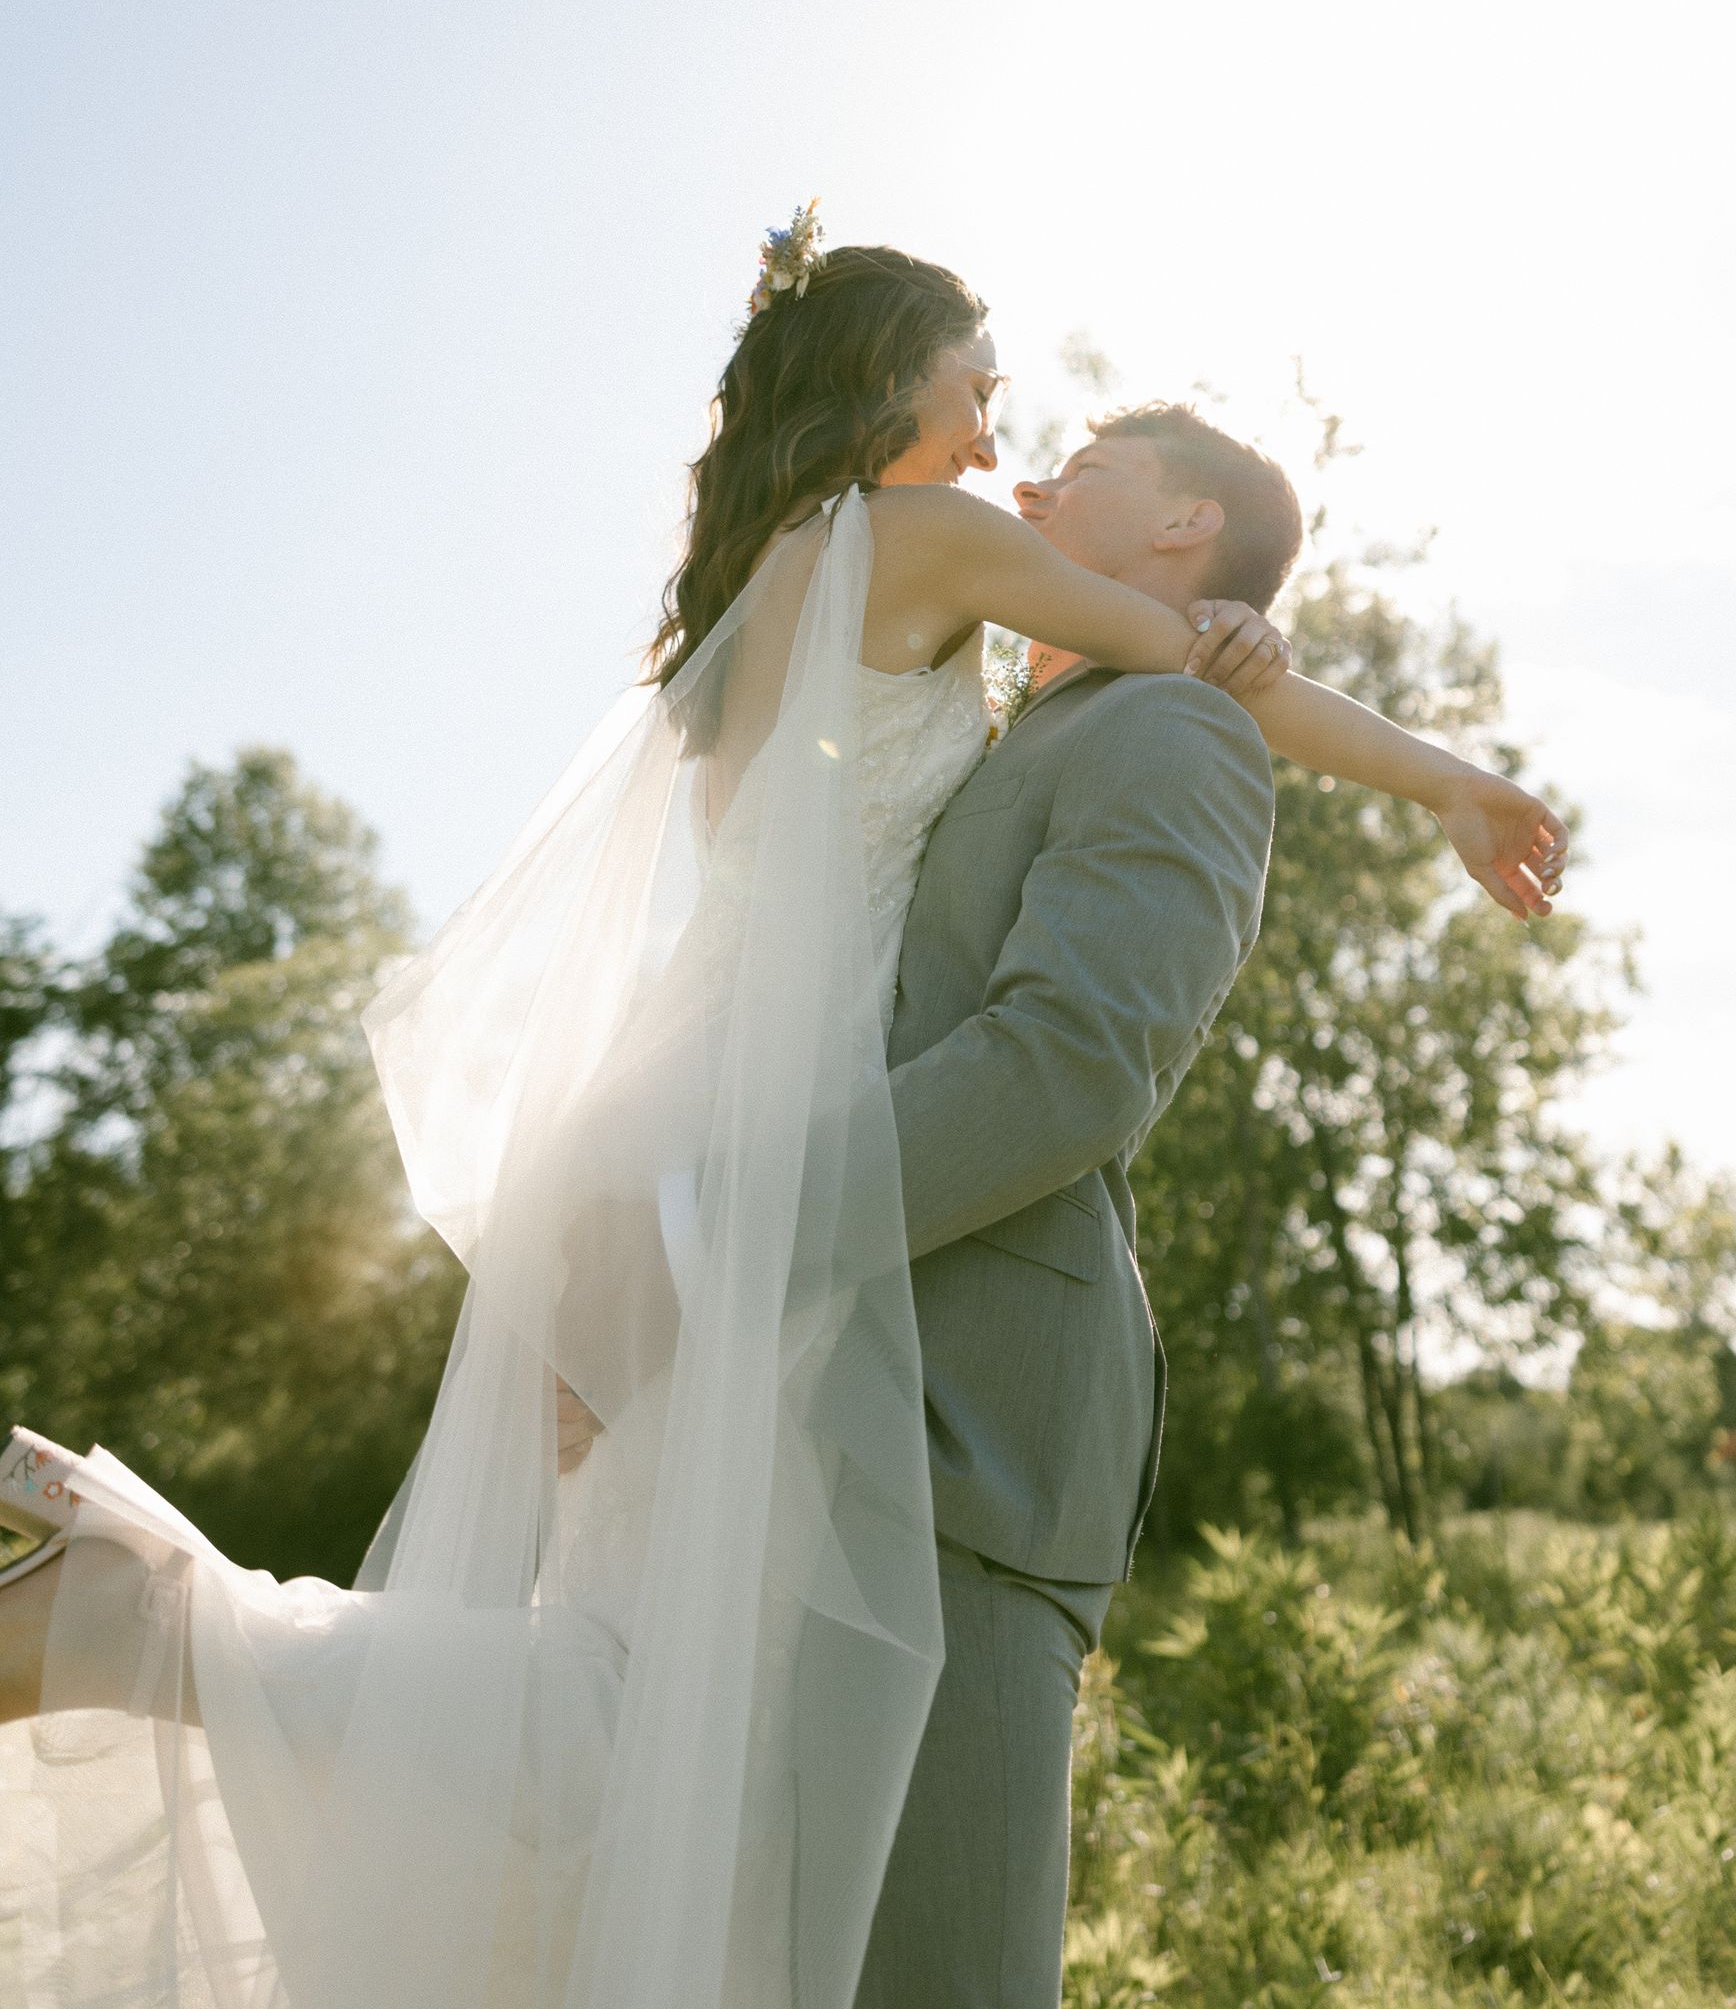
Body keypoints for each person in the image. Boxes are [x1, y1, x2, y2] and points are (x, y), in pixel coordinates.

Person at [0, 217, 1563, 2009]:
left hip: (716, 1188)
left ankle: (146, 1618)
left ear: (1192, 522)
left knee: (624, 1743)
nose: (1015, 448)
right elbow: (1127, 918)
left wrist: (673, 1241)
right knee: (771, 1858)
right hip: (786, 1266)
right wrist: (1441, 769)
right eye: (986, 398)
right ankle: (140, 1621)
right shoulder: (988, 594)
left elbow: (1064, 1027)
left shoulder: (837, 608)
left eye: (1080, 452)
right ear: (901, 381)